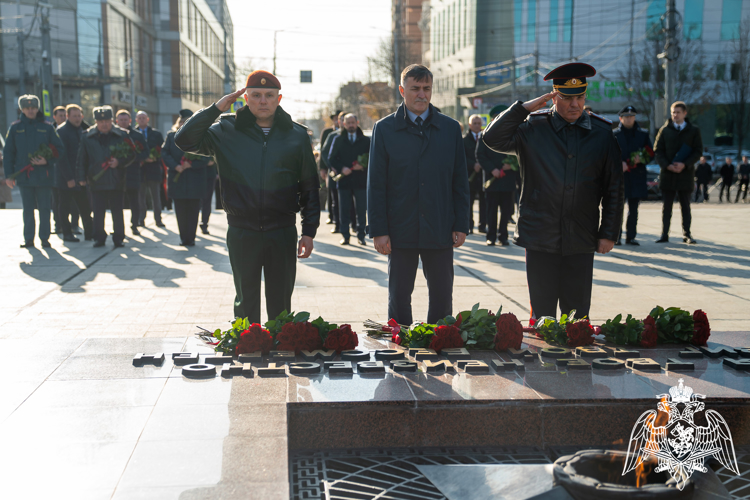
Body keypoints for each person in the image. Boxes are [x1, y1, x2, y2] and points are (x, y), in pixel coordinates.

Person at [175, 70, 320, 323]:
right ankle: (248, 348)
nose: (263, 101)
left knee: (281, 304)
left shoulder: (296, 136)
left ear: (279, 98)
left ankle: (280, 348)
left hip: (282, 230)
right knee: (245, 301)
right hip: (242, 230)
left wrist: (309, 231)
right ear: (245, 98)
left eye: (269, 95)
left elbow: (309, 186)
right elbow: (184, 140)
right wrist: (216, 108)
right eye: (256, 95)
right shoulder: (225, 130)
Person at [483, 63, 623, 321]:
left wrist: (609, 233)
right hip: (540, 235)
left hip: (581, 236)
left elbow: (614, 187)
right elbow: (492, 138)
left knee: (577, 317)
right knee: (542, 318)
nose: (575, 105)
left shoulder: (602, 133)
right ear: (554, 96)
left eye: (579, 97)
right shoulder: (533, 128)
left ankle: (577, 362)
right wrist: (524, 108)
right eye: (567, 98)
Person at [368, 64, 470, 325]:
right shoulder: (385, 129)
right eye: (415, 89)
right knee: (399, 294)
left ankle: (439, 340)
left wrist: (461, 224)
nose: (421, 95)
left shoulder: (449, 128)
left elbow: (460, 180)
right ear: (402, 91)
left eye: (426, 89)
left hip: (440, 225)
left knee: (441, 295)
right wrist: (379, 229)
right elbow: (376, 183)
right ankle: (400, 343)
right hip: (400, 226)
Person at [3, 95, 65, 248]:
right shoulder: (15, 128)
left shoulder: (47, 127)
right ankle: (29, 239)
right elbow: (9, 153)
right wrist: (9, 176)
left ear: (38, 109)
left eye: (33, 108)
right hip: (24, 176)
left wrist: (47, 161)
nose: (31, 111)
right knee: (28, 210)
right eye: (27, 108)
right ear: (22, 110)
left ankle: (45, 238)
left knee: (44, 208)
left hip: (44, 175)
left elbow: (60, 149)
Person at [76, 106, 136, 248]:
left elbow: (132, 154)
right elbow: (81, 159)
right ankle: (99, 238)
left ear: (112, 121)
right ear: (95, 121)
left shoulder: (122, 135)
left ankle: (119, 237)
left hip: (117, 179)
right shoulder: (87, 136)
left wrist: (119, 162)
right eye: (101, 121)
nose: (104, 124)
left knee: (117, 210)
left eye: (107, 121)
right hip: (96, 179)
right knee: (98, 211)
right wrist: (81, 177)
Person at [654, 101, 702, 244]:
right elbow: (658, 150)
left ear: (685, 113)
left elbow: (698, 151)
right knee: (666, 207)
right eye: (673, 112)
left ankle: (687, 234)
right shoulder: (665, 130)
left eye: (678, 112)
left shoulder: (693, 130)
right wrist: (667, 165)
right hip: (668, 174)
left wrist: (684, 164)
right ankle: (664, 234)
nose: (675, 115)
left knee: (686, 206)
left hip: (685, 175)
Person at [162, 111, 208, 246]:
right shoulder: (171, 136)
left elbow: (206, 157)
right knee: (180, 211)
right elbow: (165, 153)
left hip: (195, 180)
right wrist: (175, 166)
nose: (184, 124)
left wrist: (191, 164)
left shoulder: (200, 137)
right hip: (178, 180)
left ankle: (191, 238)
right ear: (179, 122)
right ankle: (183, 238)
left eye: (188, 122)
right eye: (182, 122)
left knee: (193, 211)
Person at [613, 105, 652, 246]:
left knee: (634, 209)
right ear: (620, 118)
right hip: (620, 177)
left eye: (632, 116)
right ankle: (616, 237)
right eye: (626, 116)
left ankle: (631, 237)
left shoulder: (643, 134)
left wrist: (641, 158)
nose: (629, 119)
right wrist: (619, 164)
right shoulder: (614, 135)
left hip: (636, 176)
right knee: (617, 209)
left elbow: (650, 154)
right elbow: (607, 155)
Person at [477, 110, 517, 247]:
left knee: (506, 211)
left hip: (508, 180)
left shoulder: (513, 136)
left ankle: (503, 236)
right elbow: (480, 155)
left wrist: (512, 165)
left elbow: (520, 154)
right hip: (492, 180)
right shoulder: (484, 136)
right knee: (491, 211)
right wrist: (492, 169)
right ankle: (491, 236)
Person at [329, 113, 370, 245]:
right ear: (344, 124)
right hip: (344, 181)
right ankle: (345, 236)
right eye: (348, 123)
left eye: (353, 122)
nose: (351, 125)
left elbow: (372, 158)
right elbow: (331, 159)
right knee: (344, 209)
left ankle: (361, 235)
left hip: (360, 181)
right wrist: (342, 168)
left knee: (361, 209)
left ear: (357, 122)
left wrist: (362, 166)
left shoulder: (365, 140)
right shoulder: (338, 139)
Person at [55, 104, 93, 242]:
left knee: (85, 206)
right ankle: (67, 233)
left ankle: (90, 233)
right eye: (74, 116)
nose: (77, 119)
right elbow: (61, 156)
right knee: (64, 207)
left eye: (79, 116)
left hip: (81, 176)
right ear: (67, 116)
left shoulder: (84, 129)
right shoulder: (62, 131)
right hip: (66, 177)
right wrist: (69, 177)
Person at [116, 110, 148, 236]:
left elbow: (145, 153)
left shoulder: (137, 135)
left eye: (125, 120)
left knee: (135, 201)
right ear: (116, 121)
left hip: (133, 172)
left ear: (130, 121)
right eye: (121, 120)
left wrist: (135, 157)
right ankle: (118, 227)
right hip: (117, 174)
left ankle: (135, 224)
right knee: (118, 203)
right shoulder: (113, 134)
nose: (123, 122)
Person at [136, 111, 166, 228]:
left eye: (144, 118)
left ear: (147, 119)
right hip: (140, 170)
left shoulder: (156, 134)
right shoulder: (134, 133)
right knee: (141, 197)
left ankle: (158, 219)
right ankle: (141, 219)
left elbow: (162, 149)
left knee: (156, 197)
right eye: (140, 118)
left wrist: (154, 157)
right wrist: (142, 159)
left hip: (154, 169)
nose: (142, 120)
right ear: (136, 120)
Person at [464, 114, 487, 234]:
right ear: (469, 125)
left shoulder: (485, 138)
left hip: (483, 176)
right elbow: (461, 157)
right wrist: (473, 165)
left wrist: (482, 165)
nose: (477, 126)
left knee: (484, 202)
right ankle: (469, 225)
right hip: (470, 176)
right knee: (469, 202)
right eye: (475, 123)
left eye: (479, 123)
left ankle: (482, 225)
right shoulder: (464, 140)